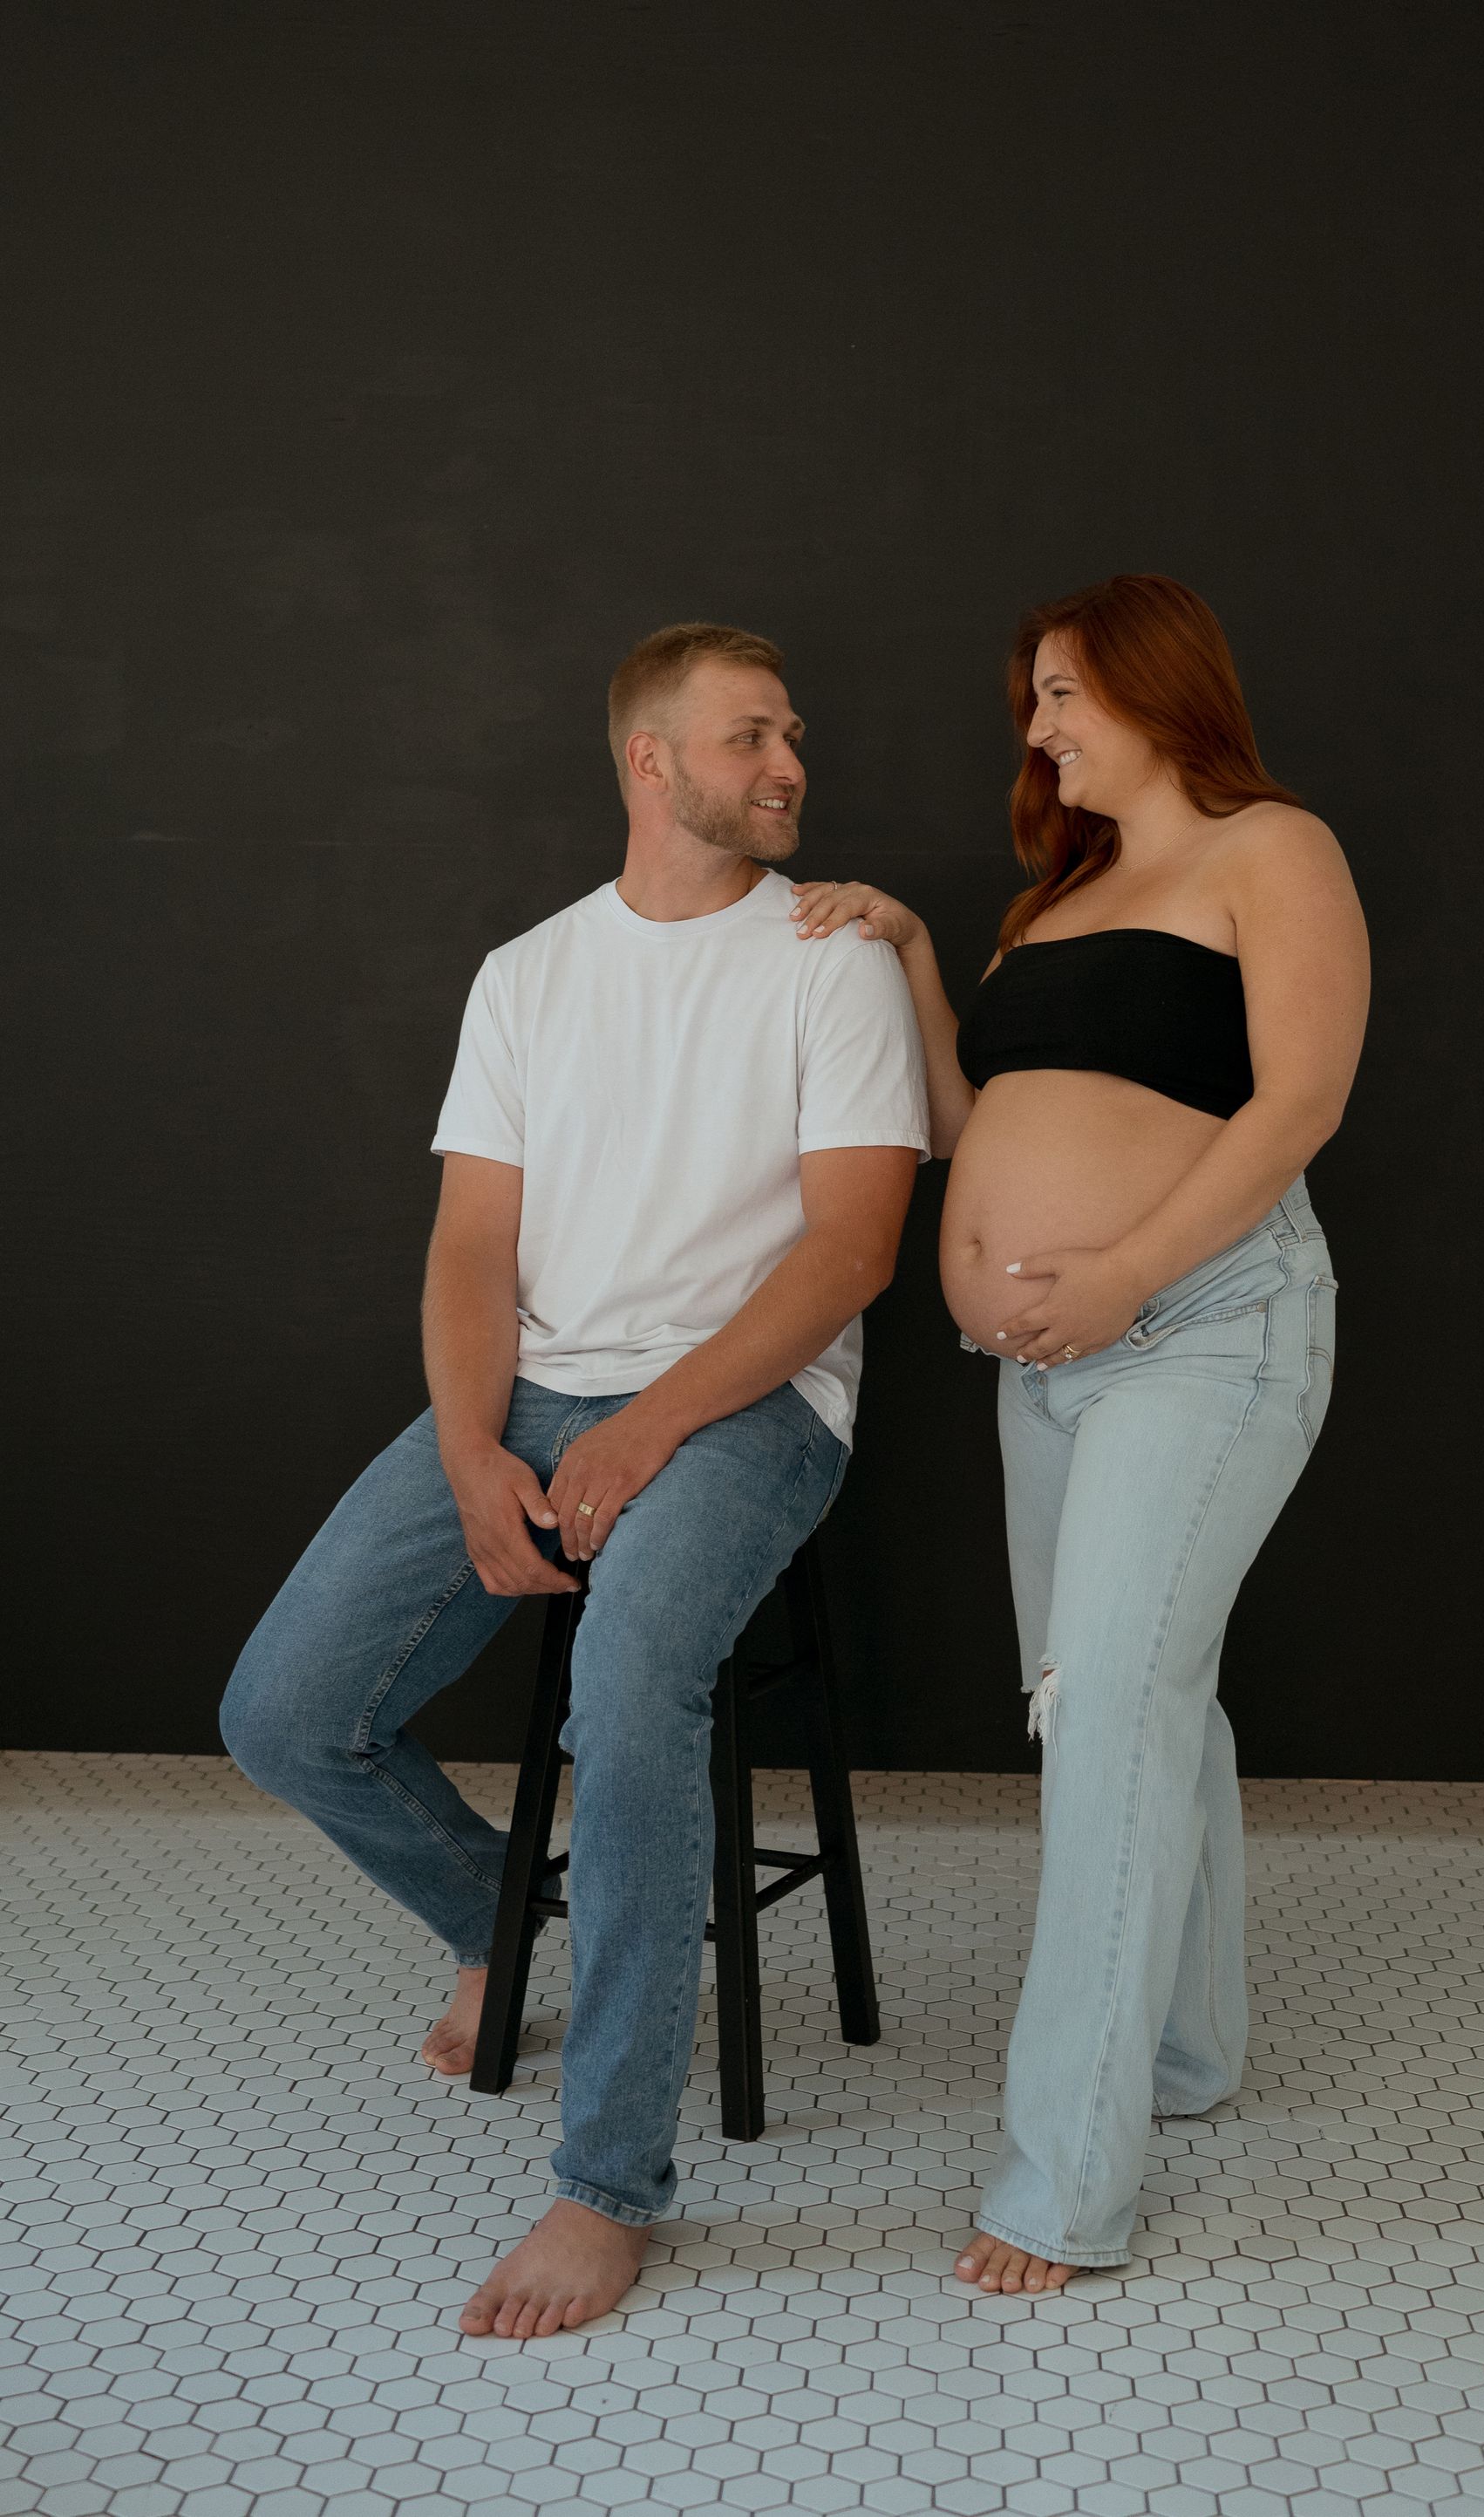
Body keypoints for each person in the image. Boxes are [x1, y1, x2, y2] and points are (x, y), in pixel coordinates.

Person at [221, 622, 929, 2339]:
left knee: (622, 1705)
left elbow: (851, 1255)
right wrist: (475, 1447)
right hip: (532, 1391)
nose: (788, 767)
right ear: (650, 763)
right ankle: (498, 1926)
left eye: (795, 739)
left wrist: (650, 1423)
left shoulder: (829, 963)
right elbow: (473, 1245)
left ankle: (609, 2183)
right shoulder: (528, 975)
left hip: (752, 1410)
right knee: (285, 1711)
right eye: (751, 737)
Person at [788, 572, 1369, 2295]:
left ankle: (1060, 2186)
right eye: (1031, 701)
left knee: (1113, 1708)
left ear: (1152, 685)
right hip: (1045, 1362)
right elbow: (982, 1124)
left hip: (1204, 1324)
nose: (1037, 728)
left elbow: (1301, 1104)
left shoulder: (1275, 851)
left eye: (1061, 692)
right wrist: (906, 956)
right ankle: (1186, 2053)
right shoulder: (1056, 902)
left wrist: (1118, 1272)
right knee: (1111, 1701)